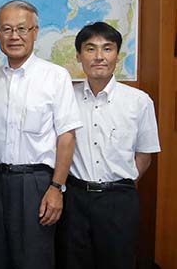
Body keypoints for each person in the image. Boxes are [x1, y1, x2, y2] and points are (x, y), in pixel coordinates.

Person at [0, 0, 82, 269]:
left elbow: (67, 136)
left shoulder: (55, 77)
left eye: (22, 28)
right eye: (6, 29)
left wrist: (56, 188)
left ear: (35, 32)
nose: (14, 36)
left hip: (37, 184)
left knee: (34, 259)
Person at [56, 22, 161, 269]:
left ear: (117, 54)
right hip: (75, 198)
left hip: (119, 201)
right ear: (79, 56)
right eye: (90, 49)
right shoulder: (65, 98)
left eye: (107, 48)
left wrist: (118, 186)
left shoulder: (138, 101)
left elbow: (144, 156)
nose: (99, 57)